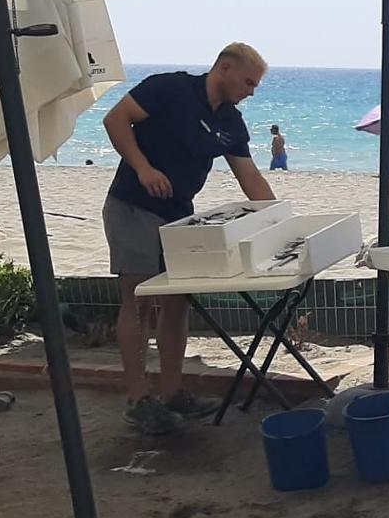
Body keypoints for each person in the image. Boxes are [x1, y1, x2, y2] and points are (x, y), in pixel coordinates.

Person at [103, 43, 276, 436]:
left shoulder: (232, 123)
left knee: (179, 302)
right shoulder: (169, 88)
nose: (251, 91)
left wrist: (279, 221)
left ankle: (172, 391)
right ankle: (137, 397)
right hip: (132, 205)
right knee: (138, 300)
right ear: (224, 68)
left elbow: (250, 178)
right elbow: (116, 120)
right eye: (248, 82)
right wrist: (144, 168)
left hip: (178, 213)